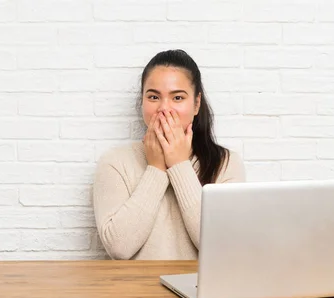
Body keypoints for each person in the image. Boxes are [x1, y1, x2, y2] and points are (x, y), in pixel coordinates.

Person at [92, 49, 246, 260]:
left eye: (178, 97)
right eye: (154, 96)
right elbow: (119, 247)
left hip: (199, 291)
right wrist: (156, 169)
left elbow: (222, 248)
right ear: (142, 102)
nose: (164, 109)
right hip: (136, 291)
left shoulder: (227, 164)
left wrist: (179, 165)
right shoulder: (115, 163)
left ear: (196, 104)